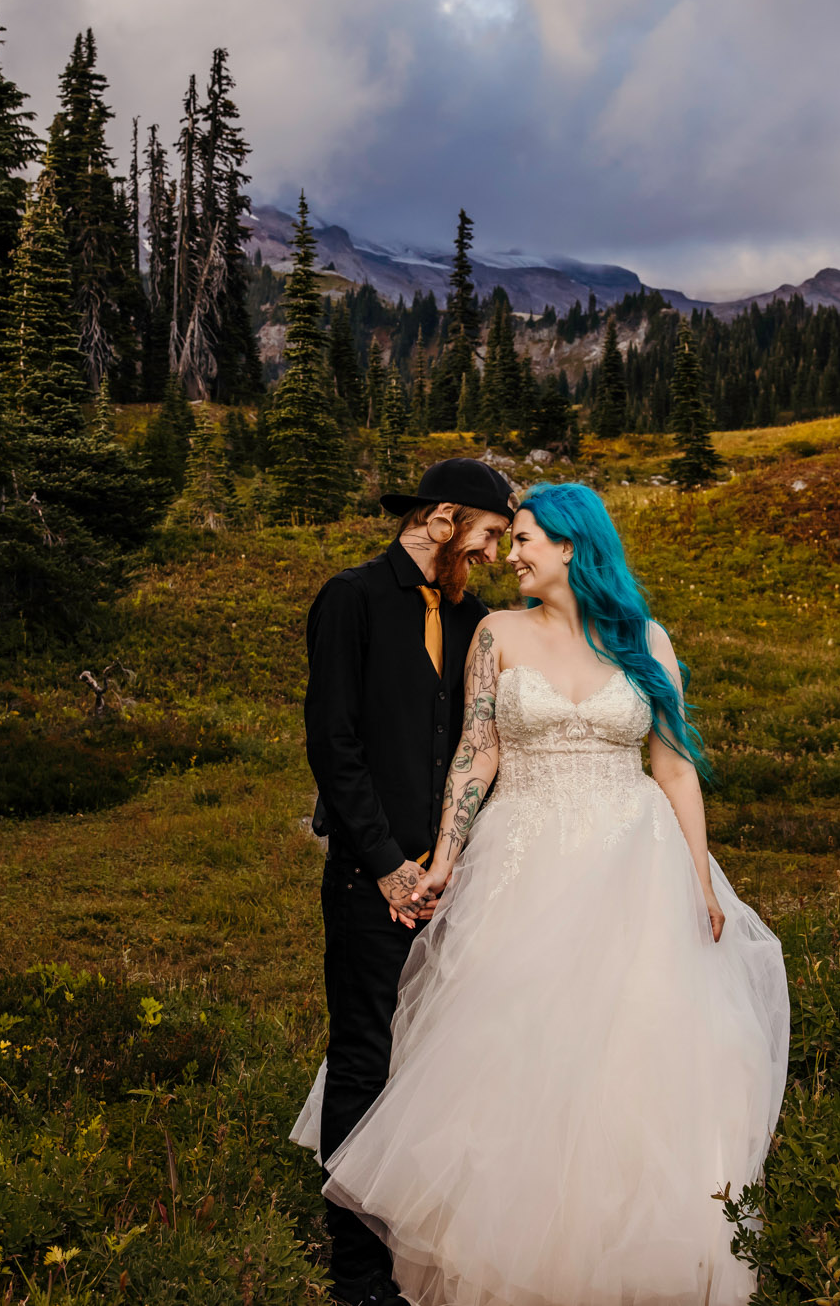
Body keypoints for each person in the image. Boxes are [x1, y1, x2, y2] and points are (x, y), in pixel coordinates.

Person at [291, 482, 789, 1306]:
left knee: (632, 1057)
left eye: (523, 540)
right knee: (512, 1050)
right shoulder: (496, 632)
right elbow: (476, 755)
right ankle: (498, 1250)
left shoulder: (646, 641)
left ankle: (626, 1250)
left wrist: (701, 882)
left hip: (636, 868)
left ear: (572, 547)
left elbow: (671, 766)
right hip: (523, 862)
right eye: (507, 536)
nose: (509, 554)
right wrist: (445, 856)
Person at [300, 457, 517, 1306]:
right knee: (364, 1061)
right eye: (490, 534)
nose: (494, 553)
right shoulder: (350, 600)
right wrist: (389, 864)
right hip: (368, 882)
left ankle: (428, 1238)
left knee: (443, 1064)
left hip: (456, 886)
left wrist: (449, 865)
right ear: (445, 519)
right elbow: (334, 744)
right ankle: (356, 1270)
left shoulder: (476, 621)